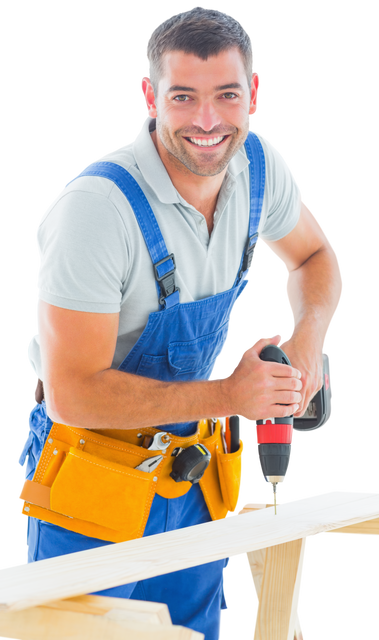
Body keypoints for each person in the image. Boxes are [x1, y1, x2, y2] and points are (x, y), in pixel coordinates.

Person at [17, 6, 344, 640]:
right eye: (183, 97)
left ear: (253, 92)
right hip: (92, 483)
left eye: (226, 95)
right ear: (149, 95)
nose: (207, 121)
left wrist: (305, 348)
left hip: (192, 480)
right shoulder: (96, 210)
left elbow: (315, 257)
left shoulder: (257, 166)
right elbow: (73, 391)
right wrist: (229, 395)